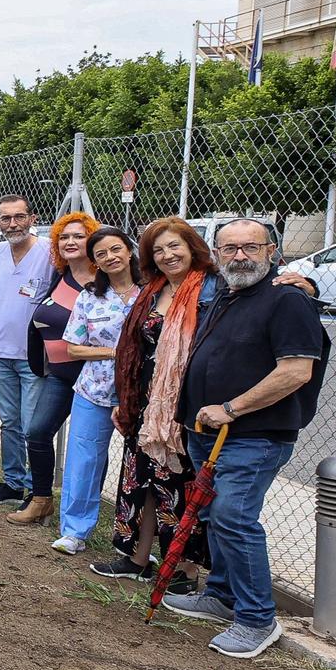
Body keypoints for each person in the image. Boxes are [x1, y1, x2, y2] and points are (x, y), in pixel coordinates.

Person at [163, 220, 329, 660]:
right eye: (229, 248)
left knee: (235, 517)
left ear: (272, 251)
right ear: (216, 253)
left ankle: (257, 619)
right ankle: (220, 595)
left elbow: (296, 370)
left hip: (252, 434)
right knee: (216, 516)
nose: (239, 256)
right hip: (207, 432)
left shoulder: (288, 300)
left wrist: (232, 409)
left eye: (250, 247)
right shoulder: (228, 295)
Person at [95, 217, 220, 583]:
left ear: (192, 246)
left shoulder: (214, 289)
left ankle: (182, 569)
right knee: (141, 482)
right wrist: (128, 398)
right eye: (158, 250)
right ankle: (136, 558)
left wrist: (303, 283)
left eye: (174, 246)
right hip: (146, 402)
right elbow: (132, 348)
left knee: (180, 486)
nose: (167, 255)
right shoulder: (154, 289)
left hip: (186, 406)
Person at [8, 212, 100, 533]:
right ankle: (41, 498)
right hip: (59, 375)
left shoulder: (106, 280)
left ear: (93, 240)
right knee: (37, 431)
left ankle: (84, 513)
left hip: (96, 379)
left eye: (78, 236)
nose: (70, 242)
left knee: (86, 448)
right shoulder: (60, 276)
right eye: (64, 237)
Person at [54, 228, 144, 550]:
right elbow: (74, 348)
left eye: (115, 249)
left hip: (142, 392)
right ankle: (74, 531)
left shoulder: (150, 294)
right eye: (101, 254)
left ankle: (133, 542)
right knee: (83, 461)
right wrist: (114, 353)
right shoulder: (90, 297)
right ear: (95, 263)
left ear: (130, 251)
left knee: (141, 466)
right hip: (94, 390)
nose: (110, 257)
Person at [0, 194, 45, 506]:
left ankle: (35, 488)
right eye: (6, 218)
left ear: (32, 218)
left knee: (33, 424)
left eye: (19, 217)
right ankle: (12, 482)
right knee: (10, 422)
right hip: (0, 351)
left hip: (33, 357)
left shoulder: (49, 253)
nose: (12, 224)